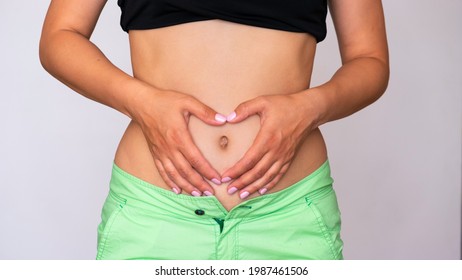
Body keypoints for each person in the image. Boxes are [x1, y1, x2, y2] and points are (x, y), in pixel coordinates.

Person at [39, 0, 389, 260]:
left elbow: (369, 59)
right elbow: (60, 36)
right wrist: (142, 102)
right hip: (156, 214)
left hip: (287, 215)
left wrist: (311, 108)